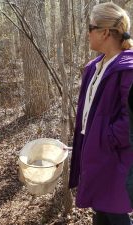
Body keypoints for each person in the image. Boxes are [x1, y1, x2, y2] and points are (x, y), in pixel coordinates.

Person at [69, 2, 133, 225]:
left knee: (114, 213)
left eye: (90, 27)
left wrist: (105, 138)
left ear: (105, 32)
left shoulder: (128, 69)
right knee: (101, 210)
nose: (87, 33)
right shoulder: (96, 67)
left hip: (114, 158)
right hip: (95, 153)